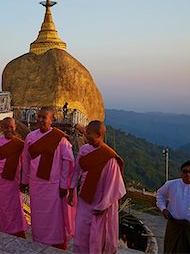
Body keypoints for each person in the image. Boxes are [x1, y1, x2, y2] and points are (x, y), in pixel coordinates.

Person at [20, 107, 75, 249]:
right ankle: (39, 241)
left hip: (54, 186)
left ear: (52, 120)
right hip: (36, 184)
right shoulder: (30, 137)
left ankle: (56, 244)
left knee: (54, 218)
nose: (40, 120)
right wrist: (24, 181)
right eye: (38, 116)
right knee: (38, 216)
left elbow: (67, 163)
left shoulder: (60, 139)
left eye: (44, 117)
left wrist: (64, 185)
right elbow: (26, 160)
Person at [68, 120, 126, 254]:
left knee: (96, 238)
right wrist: (71, 189)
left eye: (89, 134)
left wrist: (103, 206)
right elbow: (77, 170)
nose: (86, 136)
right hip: (84, 200)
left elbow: (114, 186)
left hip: (99, 203)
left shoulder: (110, 159)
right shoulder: (84, 150)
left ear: (99, 135)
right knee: (81, 232)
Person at [0, 117, 29, 238]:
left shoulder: (20, 144)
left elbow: (25, 164)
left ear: (15, 127)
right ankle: (5, 230)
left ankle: (18, 231)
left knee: (16, 206)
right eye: (6, 127)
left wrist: (24, 181)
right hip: (0, 181)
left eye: (11, 127)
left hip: (14, 182)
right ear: (1, 128)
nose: (9, 129)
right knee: (3, 207)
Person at [156, 161, 190, 253]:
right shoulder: (171, 184)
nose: (187, 174)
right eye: (185, 171)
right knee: (171, 249)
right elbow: (160, 194)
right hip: (174, 226)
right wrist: (163, 208)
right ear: (180, 172)